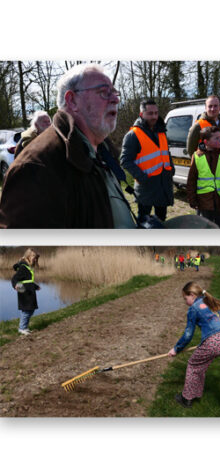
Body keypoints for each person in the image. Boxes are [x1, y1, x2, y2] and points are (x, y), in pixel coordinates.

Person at [0, 63, 134, 229]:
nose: (115, 99)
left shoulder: (102, 151)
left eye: (115, 92)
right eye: (104, 92)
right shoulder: (35, 168)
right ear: (72, 101)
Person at [168, 281, 220, 417]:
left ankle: (187, 398)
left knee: (194, 366)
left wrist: (176, 349)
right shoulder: (216, 301)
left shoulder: (193, 308)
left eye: (185, 298)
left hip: (213, 341)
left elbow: (188, 334)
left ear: (192, 295)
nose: (185, 301)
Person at [120, 98, 174, 223]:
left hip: (163, 184)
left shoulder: (161, 131)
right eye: (150, 113)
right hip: (146, 187)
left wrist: (171, 168)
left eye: (156, 113)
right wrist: (142, 177)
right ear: (141, 114)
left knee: (161, 220)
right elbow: (125, 160)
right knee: (144, 221)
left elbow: (165, 152)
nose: (154, 116)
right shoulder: (133, 135)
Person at [186, 126, 220, 229]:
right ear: (206, 141)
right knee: (205, 227)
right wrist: (192, 200)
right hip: (204, 201)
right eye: (216, 138)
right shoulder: (197, 156)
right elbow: (191, 180)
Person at [10, 248, 41, 335]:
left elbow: (28, 281)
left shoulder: (27, 267)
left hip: (29, 292)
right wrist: (19, 288)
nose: (35, 259)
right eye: (33, 257)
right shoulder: (23, 268)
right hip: (25, 294)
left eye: (35, 257)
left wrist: (35, 286)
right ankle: (22, 328)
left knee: (29, 310)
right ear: (28, 256)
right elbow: (14, 279)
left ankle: (24, 327)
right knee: (27, 311)